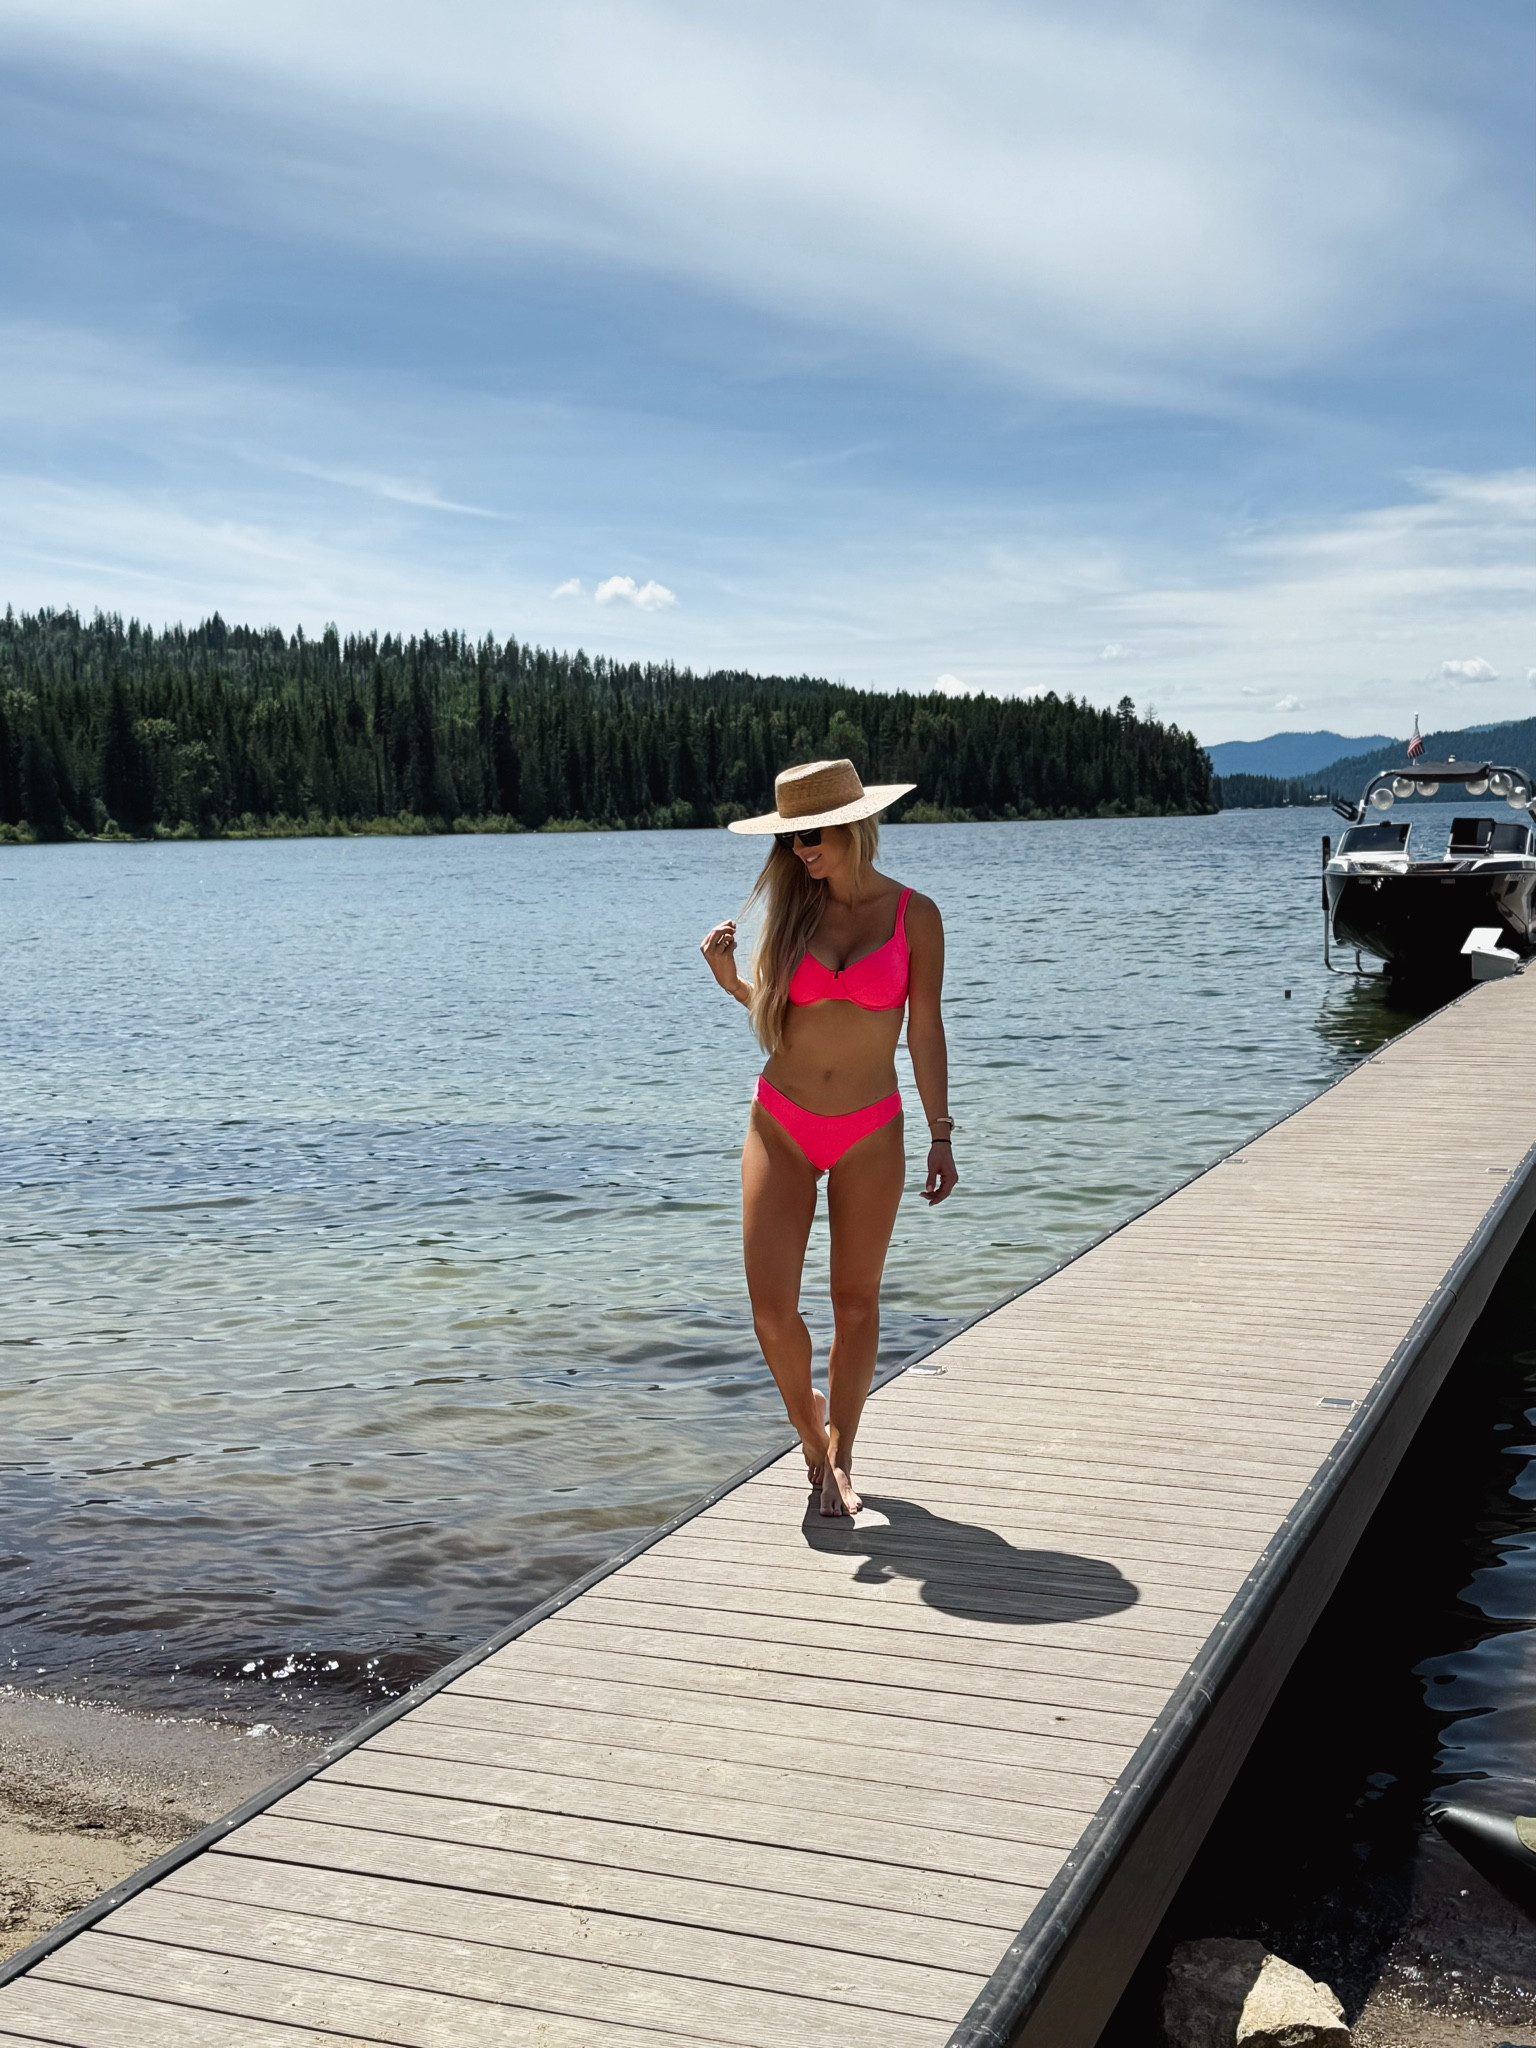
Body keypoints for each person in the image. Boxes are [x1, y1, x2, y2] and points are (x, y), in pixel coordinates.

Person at [700, 759, 957, 1517]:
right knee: (771, 1310)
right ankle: (810, 1436)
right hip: (781, 1120)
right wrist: (732, 984)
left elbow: (925, 1030)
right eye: (789, 840)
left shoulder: (914, 915)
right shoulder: (792, 912)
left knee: (856, 1302)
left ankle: (841, 1455)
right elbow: (781, 1019)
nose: (799, 851)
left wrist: (941, 1133)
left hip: (871, 1129)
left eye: (810, 836)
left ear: (853, 826)